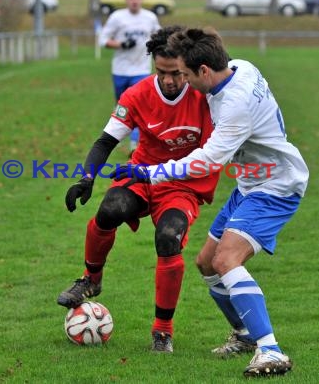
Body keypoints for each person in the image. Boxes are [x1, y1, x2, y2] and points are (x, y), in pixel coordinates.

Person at [110, 27, 309, 377]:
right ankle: (245, 335)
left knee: (227, 259)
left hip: (276, 186)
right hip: (251, 182)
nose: (181, 81)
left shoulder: (235, 106)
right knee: (206, 262)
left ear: (204, 71)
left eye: (185, 74)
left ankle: (271, 350)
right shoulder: (240, 67)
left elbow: (206, 162)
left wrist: (149, 173)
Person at [57, 26, 220, 353]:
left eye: (176, 73)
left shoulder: (206, 95)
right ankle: (91, 279)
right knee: (110, 209)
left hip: (182, 185)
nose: (170, 80)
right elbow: (105, 141)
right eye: (162, 72)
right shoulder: (136, 95)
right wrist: (86, 178)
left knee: (168, 238)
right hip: (141, 172)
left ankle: (163, 330)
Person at [98, 0, 161, 154]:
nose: (134, 1)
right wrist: (121, 44)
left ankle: (135, 144)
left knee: (140, 107)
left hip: (141, 70)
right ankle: (115, 136)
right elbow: (103, 40)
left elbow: (160, 37)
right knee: (122, 107)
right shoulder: (117, 17)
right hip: (120, 69)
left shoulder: (150, 17)